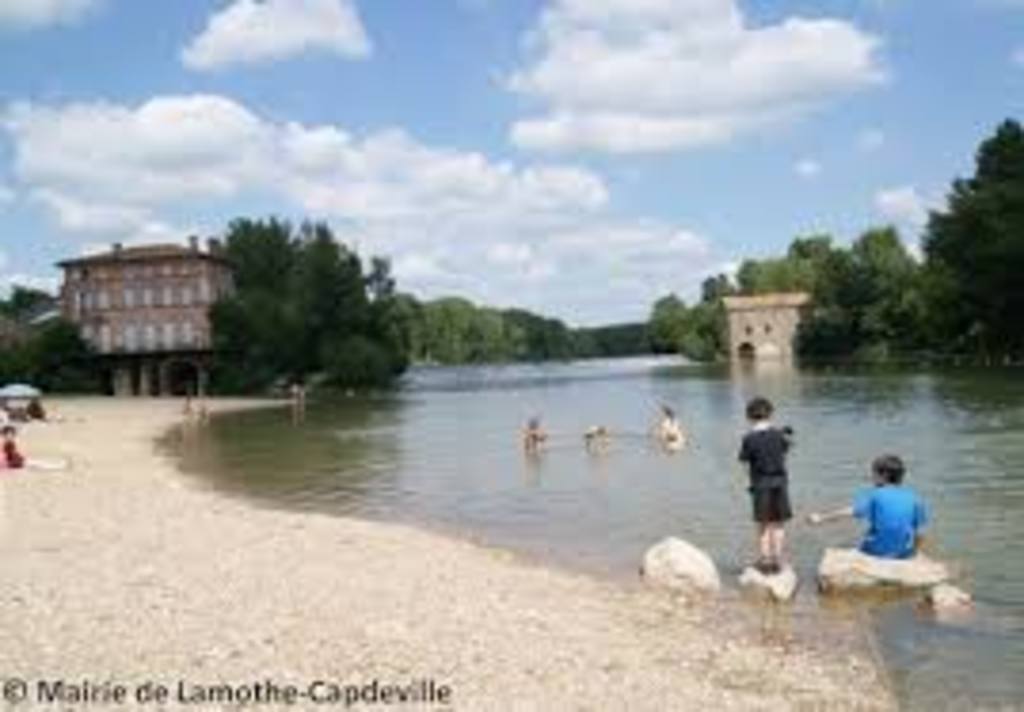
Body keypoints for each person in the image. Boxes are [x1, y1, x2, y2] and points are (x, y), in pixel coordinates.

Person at [807, 454, 929, 559]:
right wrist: (913, 553)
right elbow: (921, 532)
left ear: (883, 476)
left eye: (874, 473)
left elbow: (849, 512)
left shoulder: (875, 495)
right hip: (903, 553)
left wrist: (820, 517)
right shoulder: (914, 498)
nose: (872, 477)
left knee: (863, 537)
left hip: (876, 552)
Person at [738, 396, 793, 574]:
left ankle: (764, 560)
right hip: (779, 482)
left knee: (762, 524)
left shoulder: (748, 438)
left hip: (760, 483)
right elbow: (786, 449)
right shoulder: (779, 435)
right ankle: (778, 560)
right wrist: (784, 435)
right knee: (778, 524)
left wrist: (749, 483)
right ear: (770, 414)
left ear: (749, 416)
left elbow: (745, 464)